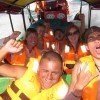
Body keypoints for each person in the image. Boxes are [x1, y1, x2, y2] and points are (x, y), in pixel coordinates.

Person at [0, 39, 95, 100]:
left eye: (55, 73)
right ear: (38, 69)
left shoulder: (61, 91)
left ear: (61, 73)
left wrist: (78, 89)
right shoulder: (23, 73)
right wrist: (5, 49)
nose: (49, 77)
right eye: (45, 71)